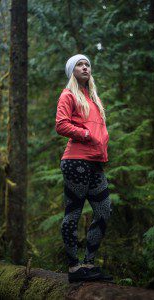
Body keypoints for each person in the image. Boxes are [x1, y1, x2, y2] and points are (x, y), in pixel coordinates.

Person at [55, 54, 113, 283]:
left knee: (104, 210)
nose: (85, 67)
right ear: (72, 71)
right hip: (76, 162)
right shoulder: (68, 95)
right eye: (79, 64)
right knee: (74, 213)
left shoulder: (94, 99)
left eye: (87, 64)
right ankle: (74, 268)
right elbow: (61, 124)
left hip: (95, 163)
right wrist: (86, 134)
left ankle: (88, 263)